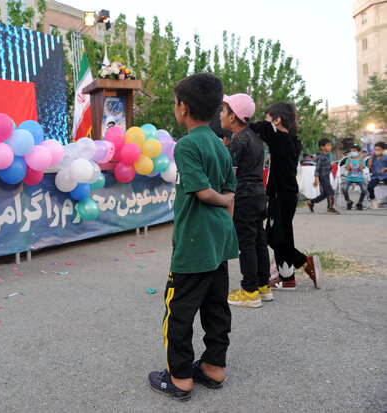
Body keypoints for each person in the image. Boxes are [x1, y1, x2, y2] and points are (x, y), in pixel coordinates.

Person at [148, 73, 238, 401]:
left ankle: (180, 377)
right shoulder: (219, 144)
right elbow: (231, 189)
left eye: (175, 104)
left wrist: (222, 199)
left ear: (182, 108)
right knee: (216, 305)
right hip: (218, 241)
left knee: (179, 309)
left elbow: (204, 193)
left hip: (193, 243)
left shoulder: (186, 145)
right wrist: (225, 212)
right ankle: (214, 367)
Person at [250, 102, 322, 290]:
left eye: (268, 117)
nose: (265, 122)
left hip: (281, 194)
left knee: (278, 237)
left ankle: (300, 267)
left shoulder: (279, 136)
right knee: (276, 236)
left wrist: (241, 120)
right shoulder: (292, 140)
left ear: (277, 120)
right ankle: (288, 275)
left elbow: (260, 127)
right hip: (283, 193)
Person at [221, 93, 272, 308]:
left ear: (233, 117)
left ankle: (249, 291)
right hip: (259, 195)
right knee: (258, 239)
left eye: (223, 111)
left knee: (247, 243)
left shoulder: (238, 140)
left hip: (244, 196)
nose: (220, 115)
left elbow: (230, 175)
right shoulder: (253, 137)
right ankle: (263, 285)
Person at [307, 138, 339, 214]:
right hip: (323, 177)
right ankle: (330, 208)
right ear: (322, 147)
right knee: (330, 192)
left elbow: (328, 165)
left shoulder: (327, 155)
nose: (330, 147)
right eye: (328, 145)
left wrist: (330, 168)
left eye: (330, 145)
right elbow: (317, 169)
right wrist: (316, 179)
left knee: (326, 193)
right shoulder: (321, 157)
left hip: (327, 176)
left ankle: (311, 202)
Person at [341, 145, 368, 210]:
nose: (352, 152)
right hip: (349, 178)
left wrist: (361, 160)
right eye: (351, 151)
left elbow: (361, 170)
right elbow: (347, 168)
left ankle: (360, 202)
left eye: (354, 151)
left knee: (364, 189)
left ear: (359, 152)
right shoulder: (348, 159)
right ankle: (348, 201)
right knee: (344, 188)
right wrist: (349, 160)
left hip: (359, 179)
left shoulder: (362, 160)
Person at [367, 142, 387, 209]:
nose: (376, 151)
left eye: (378, 149)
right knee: (370, 186)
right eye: (375, 149)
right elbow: (369, 166)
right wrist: (371, 157)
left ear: (383, 150)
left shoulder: (385, 157)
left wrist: (385, 168)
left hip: (384, 175)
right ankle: (373, 199)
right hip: (375, 176)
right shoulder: (373, 158)